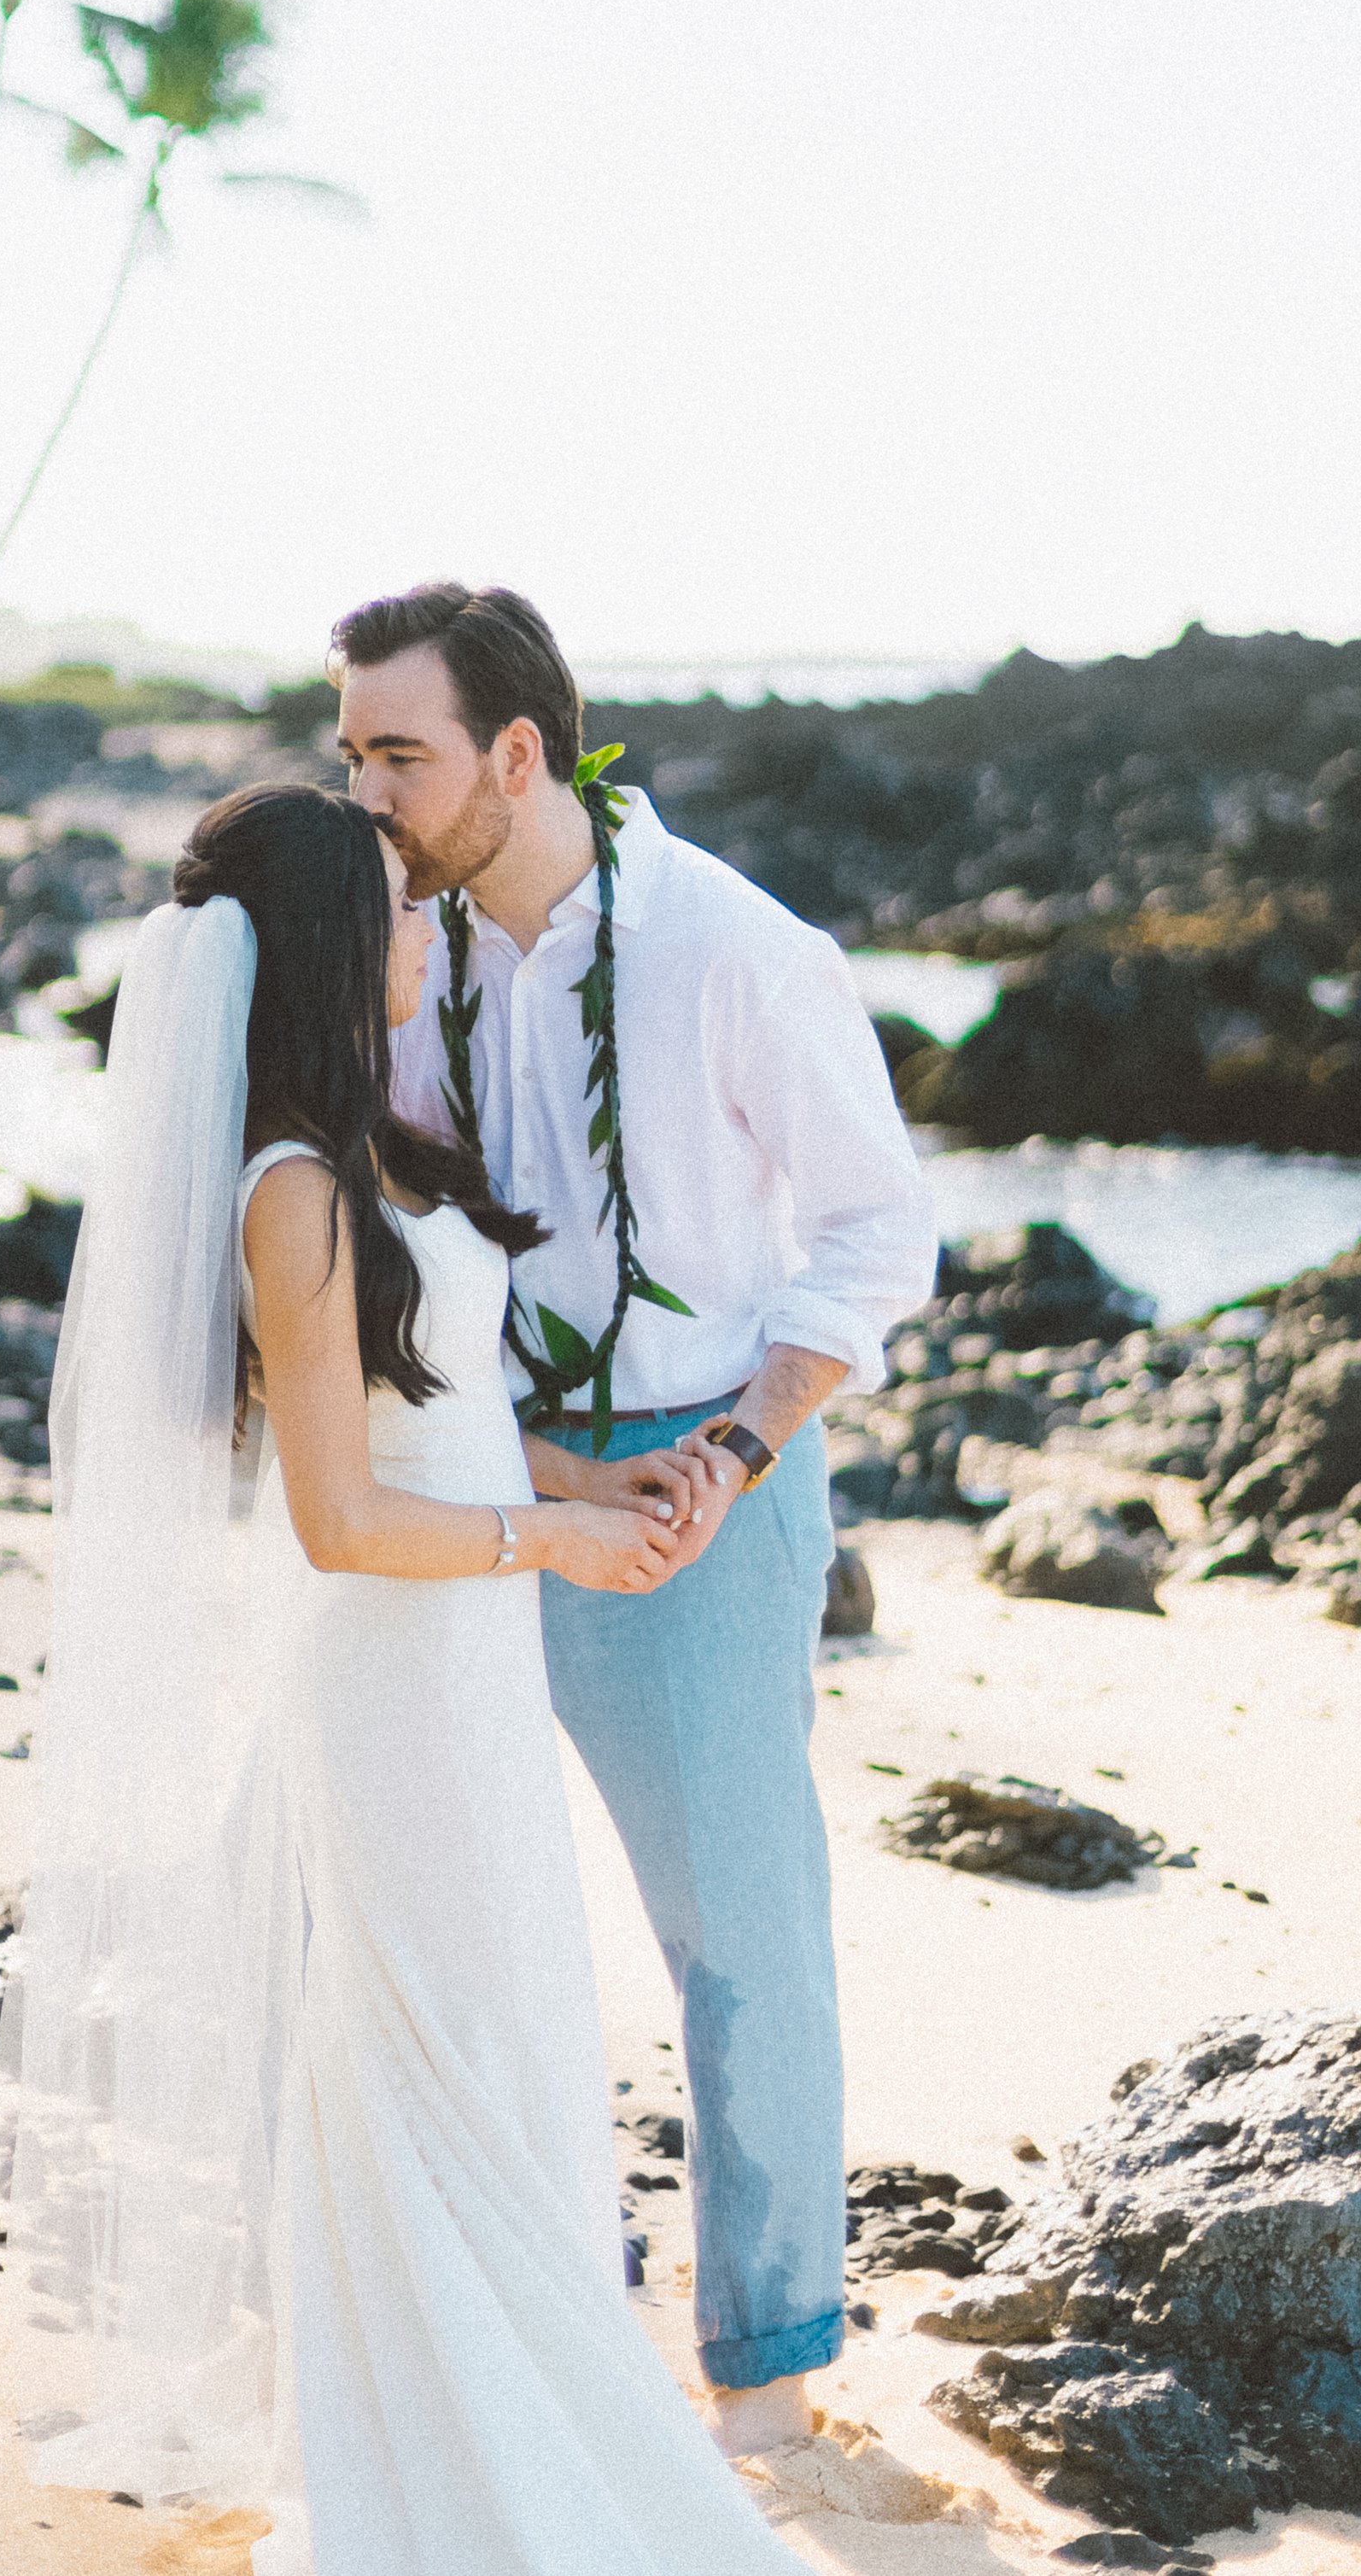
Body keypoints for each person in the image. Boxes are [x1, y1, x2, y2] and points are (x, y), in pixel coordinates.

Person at [4, 780, 802, 2575]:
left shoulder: (375, 1149)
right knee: (426, 2052)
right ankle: (446, 2475)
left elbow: (446, 1422)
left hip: (467, 1660)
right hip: (386, 1672)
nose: (429, 932)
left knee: (509, 2032)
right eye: (398, 909)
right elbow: (338, 1519)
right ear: (318, 951)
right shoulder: (288, 1194)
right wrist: (557, 1547)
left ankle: (513, 2421)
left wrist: (605, 1483)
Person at [333, 581, 938, 2458]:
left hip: (695, 1478)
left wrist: (734, 1457)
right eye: (346, 750)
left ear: (515, 756)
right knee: (458, 1907)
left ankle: (766, 2361)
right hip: (477, 1475)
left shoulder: (735, 952)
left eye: (396, 754)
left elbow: (872, 1232)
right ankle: (520, 2311)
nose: (363, 790)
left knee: (735, 1932)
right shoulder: (421, 949)